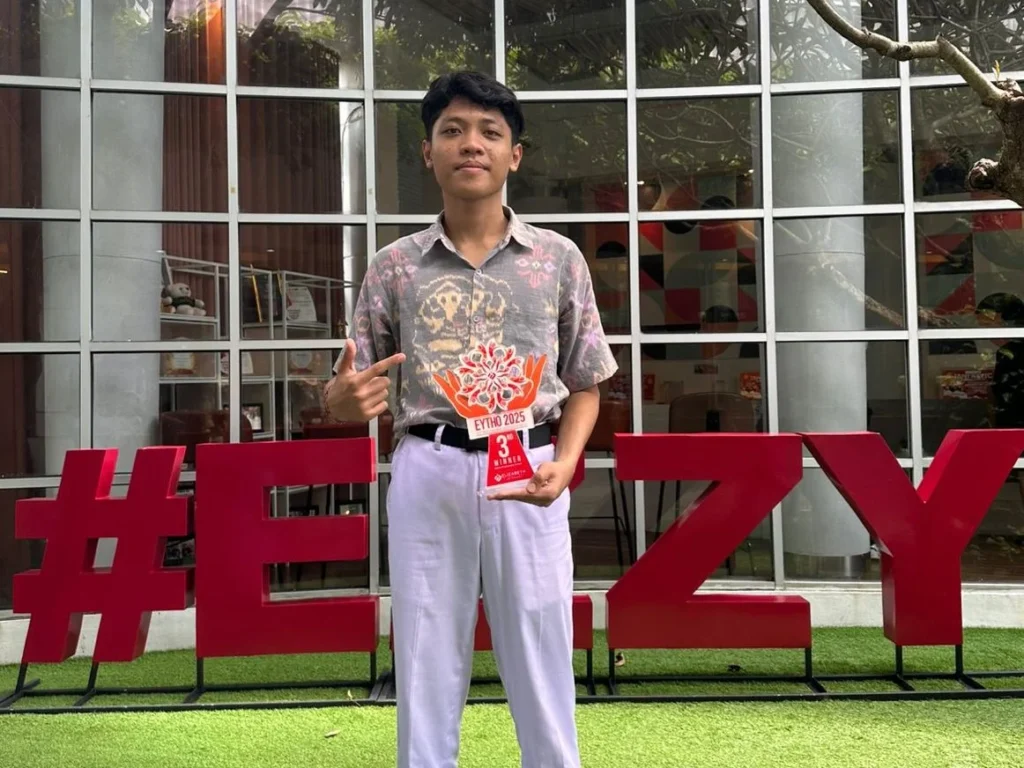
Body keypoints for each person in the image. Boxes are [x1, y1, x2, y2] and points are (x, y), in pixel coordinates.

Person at [323, 71, 617, 768]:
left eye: (490, 132)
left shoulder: (558, 260)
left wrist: (566, 463)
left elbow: (586, 381)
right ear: (428, 152)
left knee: (541, 640)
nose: (471, 144)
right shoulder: (394, 267)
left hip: (531, 468)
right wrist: (341, 401)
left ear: (516, 154)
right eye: (452, 130)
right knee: (424, 644)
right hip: (429, 465)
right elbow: (345, 383)